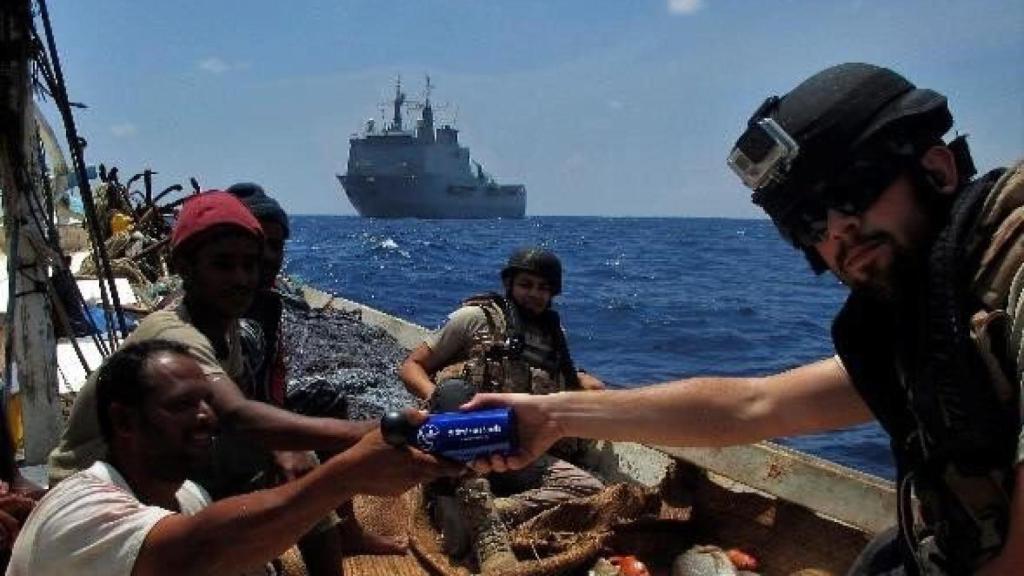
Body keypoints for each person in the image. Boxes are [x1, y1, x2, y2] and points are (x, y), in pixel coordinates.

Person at [464, 63, 1024, 576]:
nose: (834, 231)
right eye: (808, 221)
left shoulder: (1012, 262)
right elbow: (752, 407)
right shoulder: (929, 321)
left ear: (938, 169)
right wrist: (554, 417)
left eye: (850, 193)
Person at [47, 191, 379, 574]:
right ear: (184, 267)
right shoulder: (174, 331)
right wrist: (371, 433)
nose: (241, 279)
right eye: (223, 265)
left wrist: (285, 449)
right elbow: (238, 414)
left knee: (299, 465)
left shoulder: (226, 326)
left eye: (249, 265)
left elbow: (245, 400)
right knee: (296, 467)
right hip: (98, 485)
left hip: (159, 461)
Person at [8, 340, 460, 575]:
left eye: (208, 402)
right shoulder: (78, 506)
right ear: (124, 422)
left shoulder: (187, 498)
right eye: (183, 405)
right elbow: (192, 553)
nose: (207, 416)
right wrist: (345, 476)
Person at [399, 247, 606, 572]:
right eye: (526, 284)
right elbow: (411, 366)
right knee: (453, 391)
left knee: (589, 489)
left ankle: (494, 512)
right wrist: (439, 401)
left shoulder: (554, 337)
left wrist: (581, 382)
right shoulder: (474, 319)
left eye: (543, 288)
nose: (535, 294)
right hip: (466, 446)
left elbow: (554, 386)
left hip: (519, 449)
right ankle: (467, 507)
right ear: (510, 284)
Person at [226, 181, 406, 555]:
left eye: (276, 246)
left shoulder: (266, 301)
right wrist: (284, 445)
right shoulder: (221, 309)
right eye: (256, 245)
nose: (268, 257)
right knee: (310, 467)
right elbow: (226, 404)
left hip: (255, 408)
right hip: (215, 426)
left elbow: (264, 381)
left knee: (326, 400)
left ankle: (350, 531)